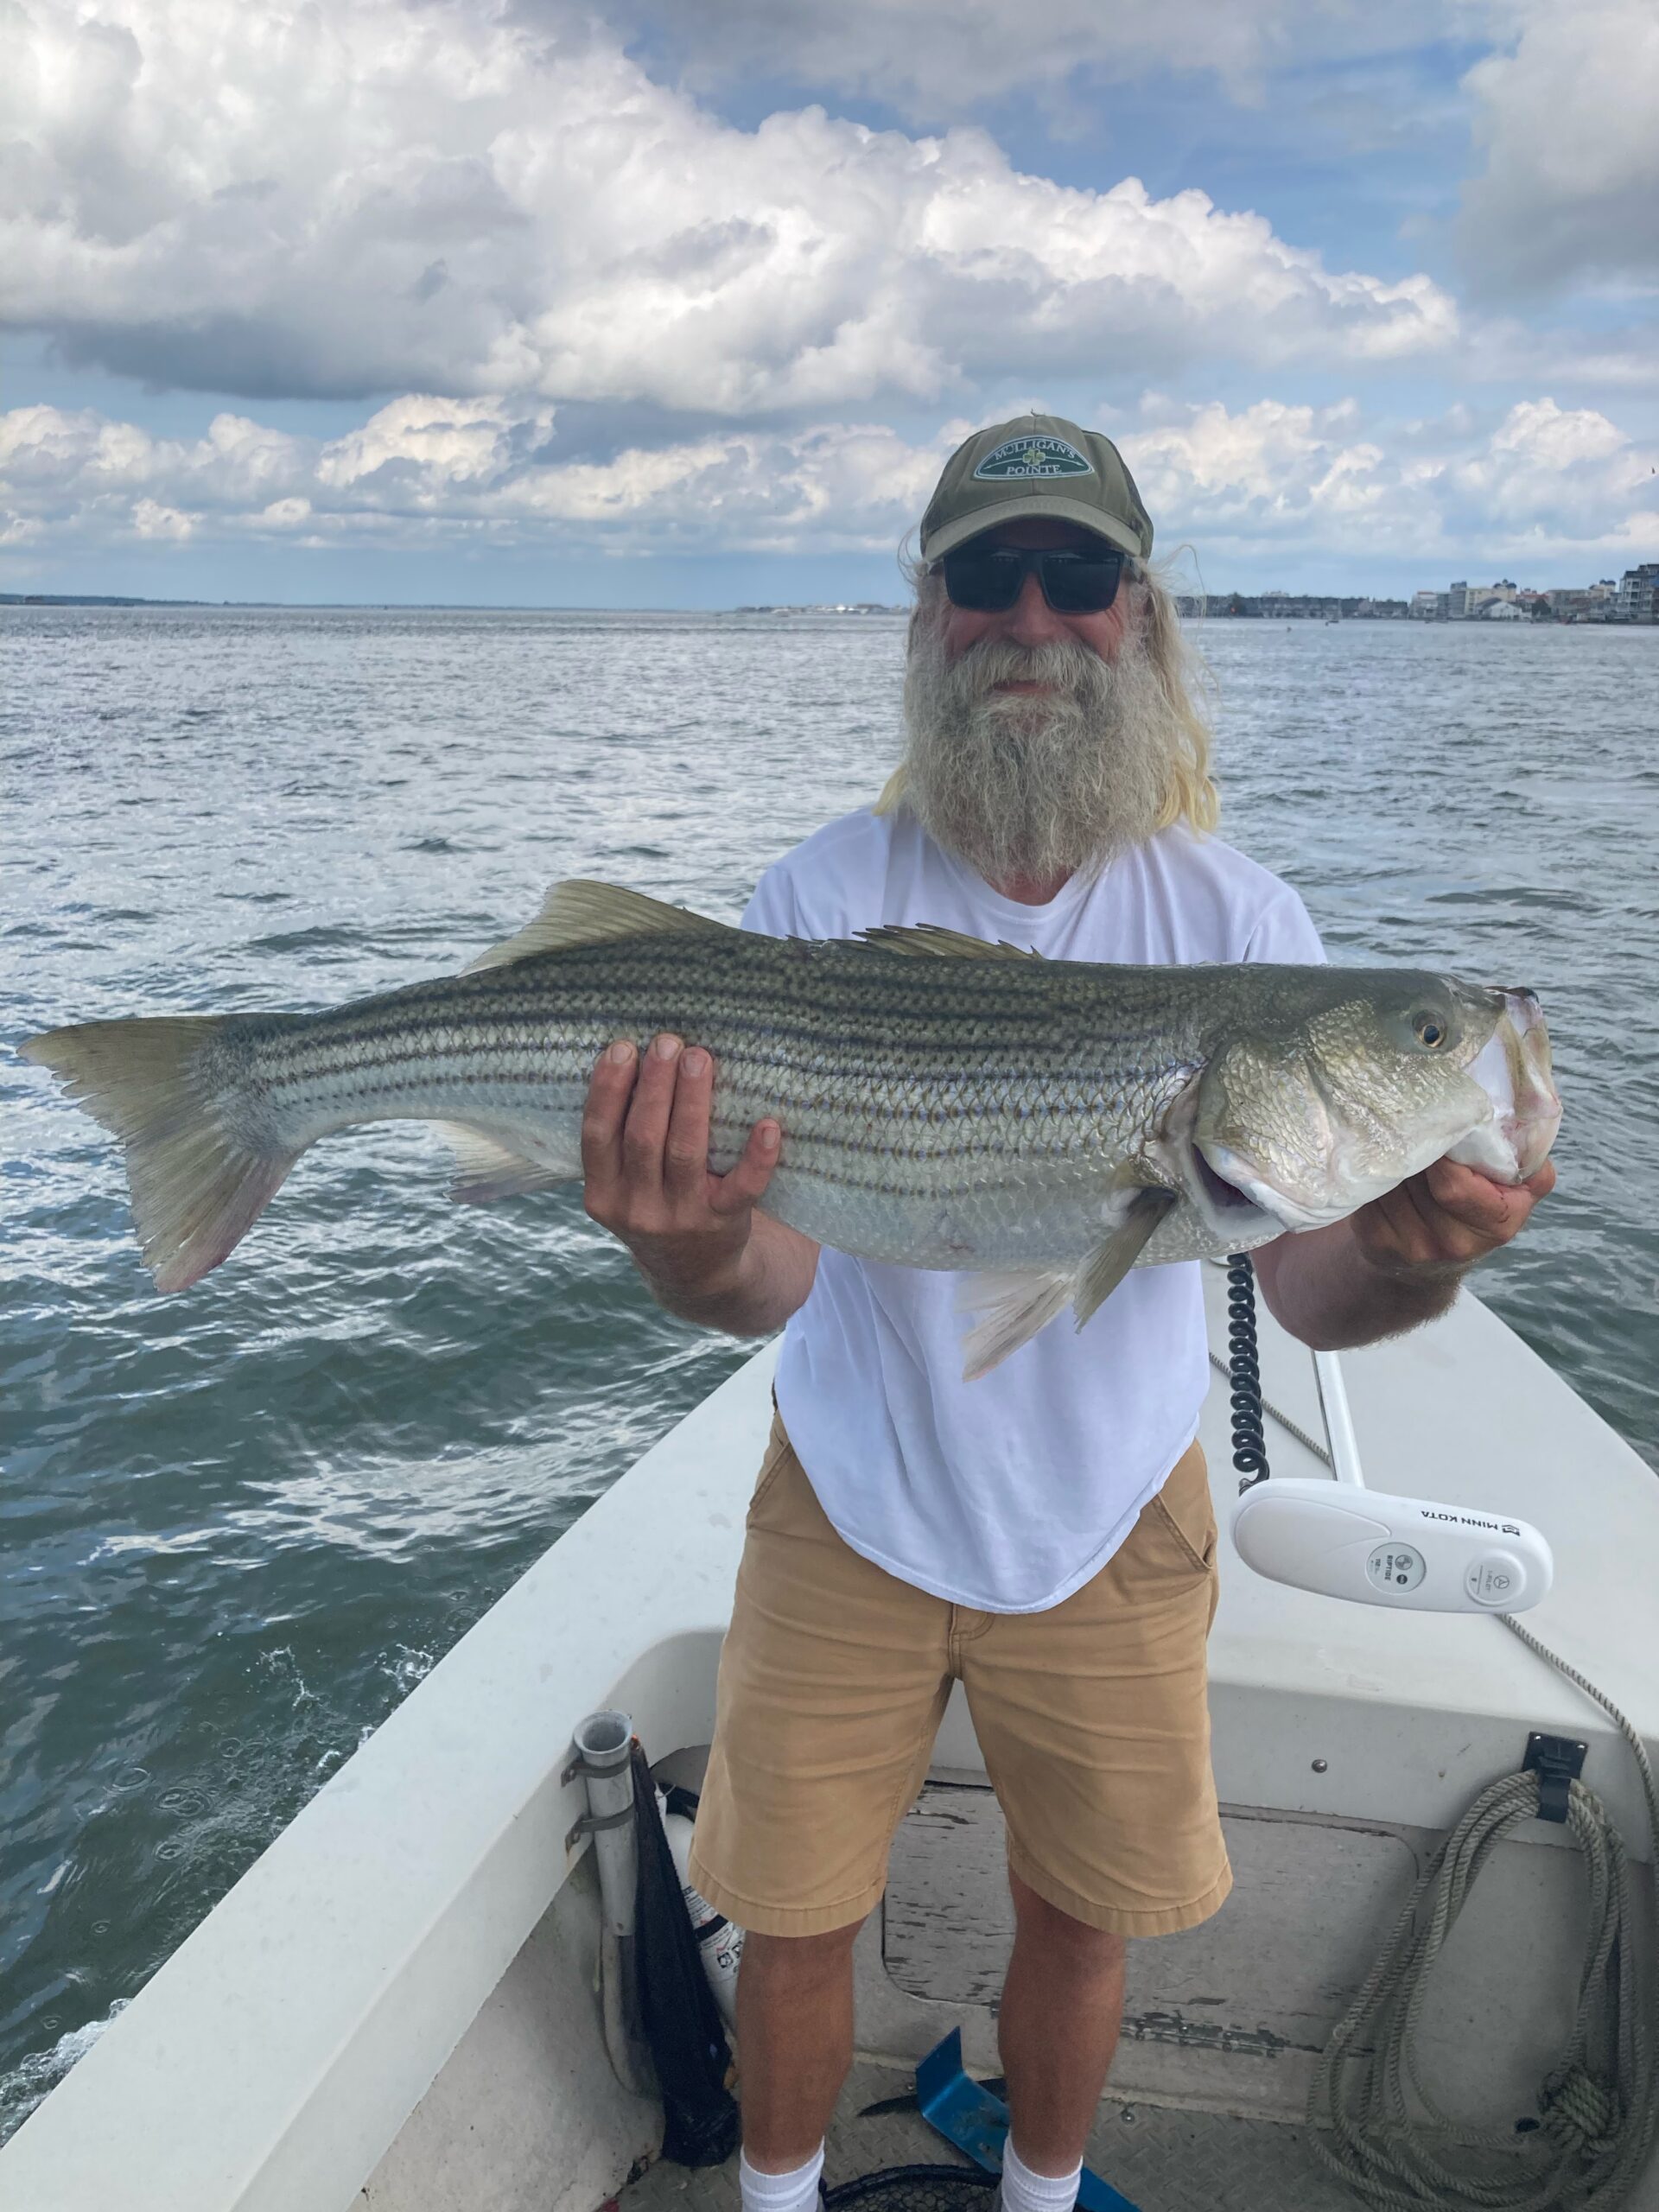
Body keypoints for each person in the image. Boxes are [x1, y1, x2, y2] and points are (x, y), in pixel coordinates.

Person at [578, 415, 1554, 2212]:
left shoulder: (1235, 919)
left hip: (1113, 1514)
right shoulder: (820, 893)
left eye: (1081, 577)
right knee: (791, 1917)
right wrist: (681, 1241)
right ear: (928, 616)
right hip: (850, 1497)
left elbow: (1315, 1289)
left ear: (1143, 618)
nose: (1034, 619)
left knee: (1086, 1915)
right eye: (987, 579)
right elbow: (768, 1272)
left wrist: (1422, 1248)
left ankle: (1040, 2197)